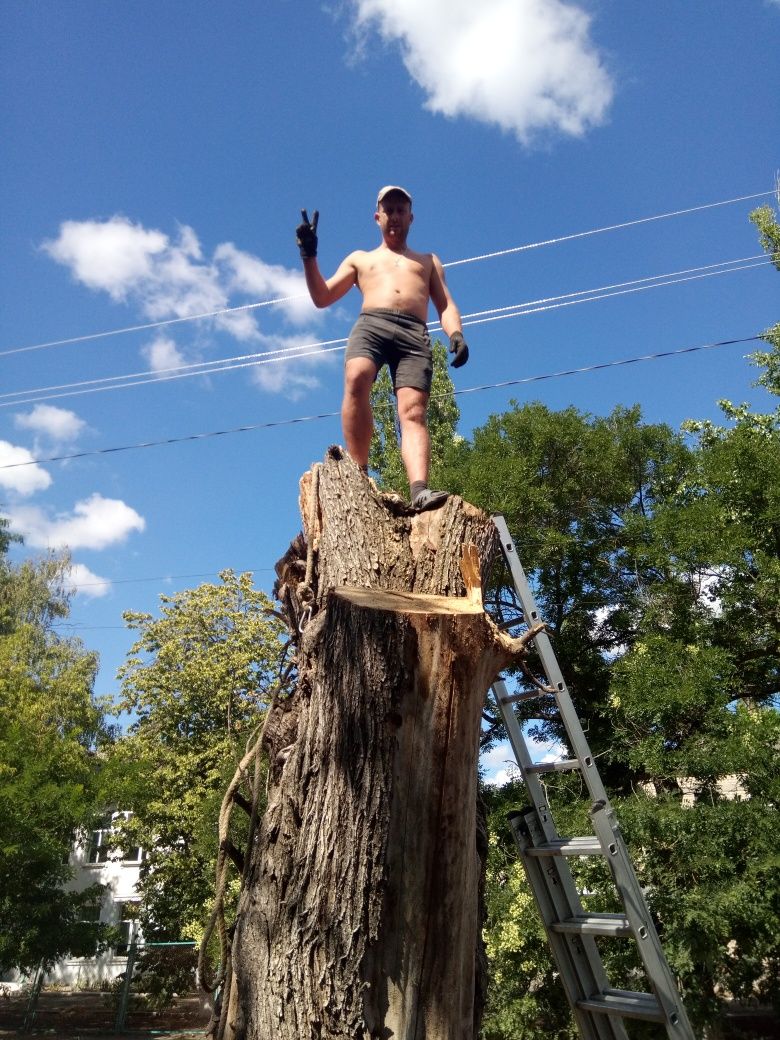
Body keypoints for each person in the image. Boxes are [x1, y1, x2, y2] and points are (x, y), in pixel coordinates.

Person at [295, 185, 469, 511]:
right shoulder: (361, 259)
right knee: (357, 375)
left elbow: (445, 305)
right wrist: (309, 256)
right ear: (377, 217)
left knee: (413, 411)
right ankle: (358, 476)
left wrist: (456, 334)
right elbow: (322, 297)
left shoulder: (428, 261)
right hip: (372, 324)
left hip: (414, 334)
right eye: (388, 210)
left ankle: (419, 490)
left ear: (411, 218)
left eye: (401, 210)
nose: (395, 216)